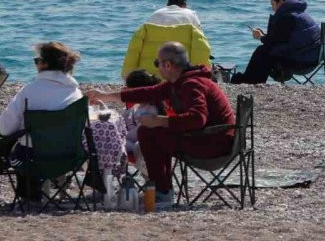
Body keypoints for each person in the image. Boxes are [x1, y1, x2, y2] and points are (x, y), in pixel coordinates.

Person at [87, 42, 234, 208]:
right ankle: (162, 190)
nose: (157, 69)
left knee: (149, 133)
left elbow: (197, 118)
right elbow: (147, 92)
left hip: (213, 145)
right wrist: (106, 96)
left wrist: (159, 120)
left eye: (157, 63)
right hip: (210, 137)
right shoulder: (181, 81)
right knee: (151, 132)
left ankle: (162, 192)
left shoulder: (191, 84)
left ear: (168, 65)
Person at [0, 42, 83, 198]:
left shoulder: (30, 91)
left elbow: (5, 129)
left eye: (37, 60)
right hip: (69, 157)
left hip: (33, 160)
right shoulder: (75, 93)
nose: (35, 64)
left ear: (44, 64)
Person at [230, 0, 321, 84]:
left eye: (273, 4)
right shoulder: (298, 13)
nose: (273, 8)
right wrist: (265, 36)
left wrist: (261, 37)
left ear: (281, 2)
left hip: (302, 62)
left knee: (262, 52)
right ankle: (250, 80)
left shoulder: (287, 17)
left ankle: (250, 82)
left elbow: (274, 42)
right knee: (265, 51)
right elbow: (281, 38)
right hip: (312, 56)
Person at [121, 69, 160, 167]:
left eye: (128, 91)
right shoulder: (142, 105)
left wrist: (120, 137)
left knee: (110, 142)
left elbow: (136, 135)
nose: (126, 92)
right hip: (137, 142)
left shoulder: (149, 111)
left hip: (142, 149)